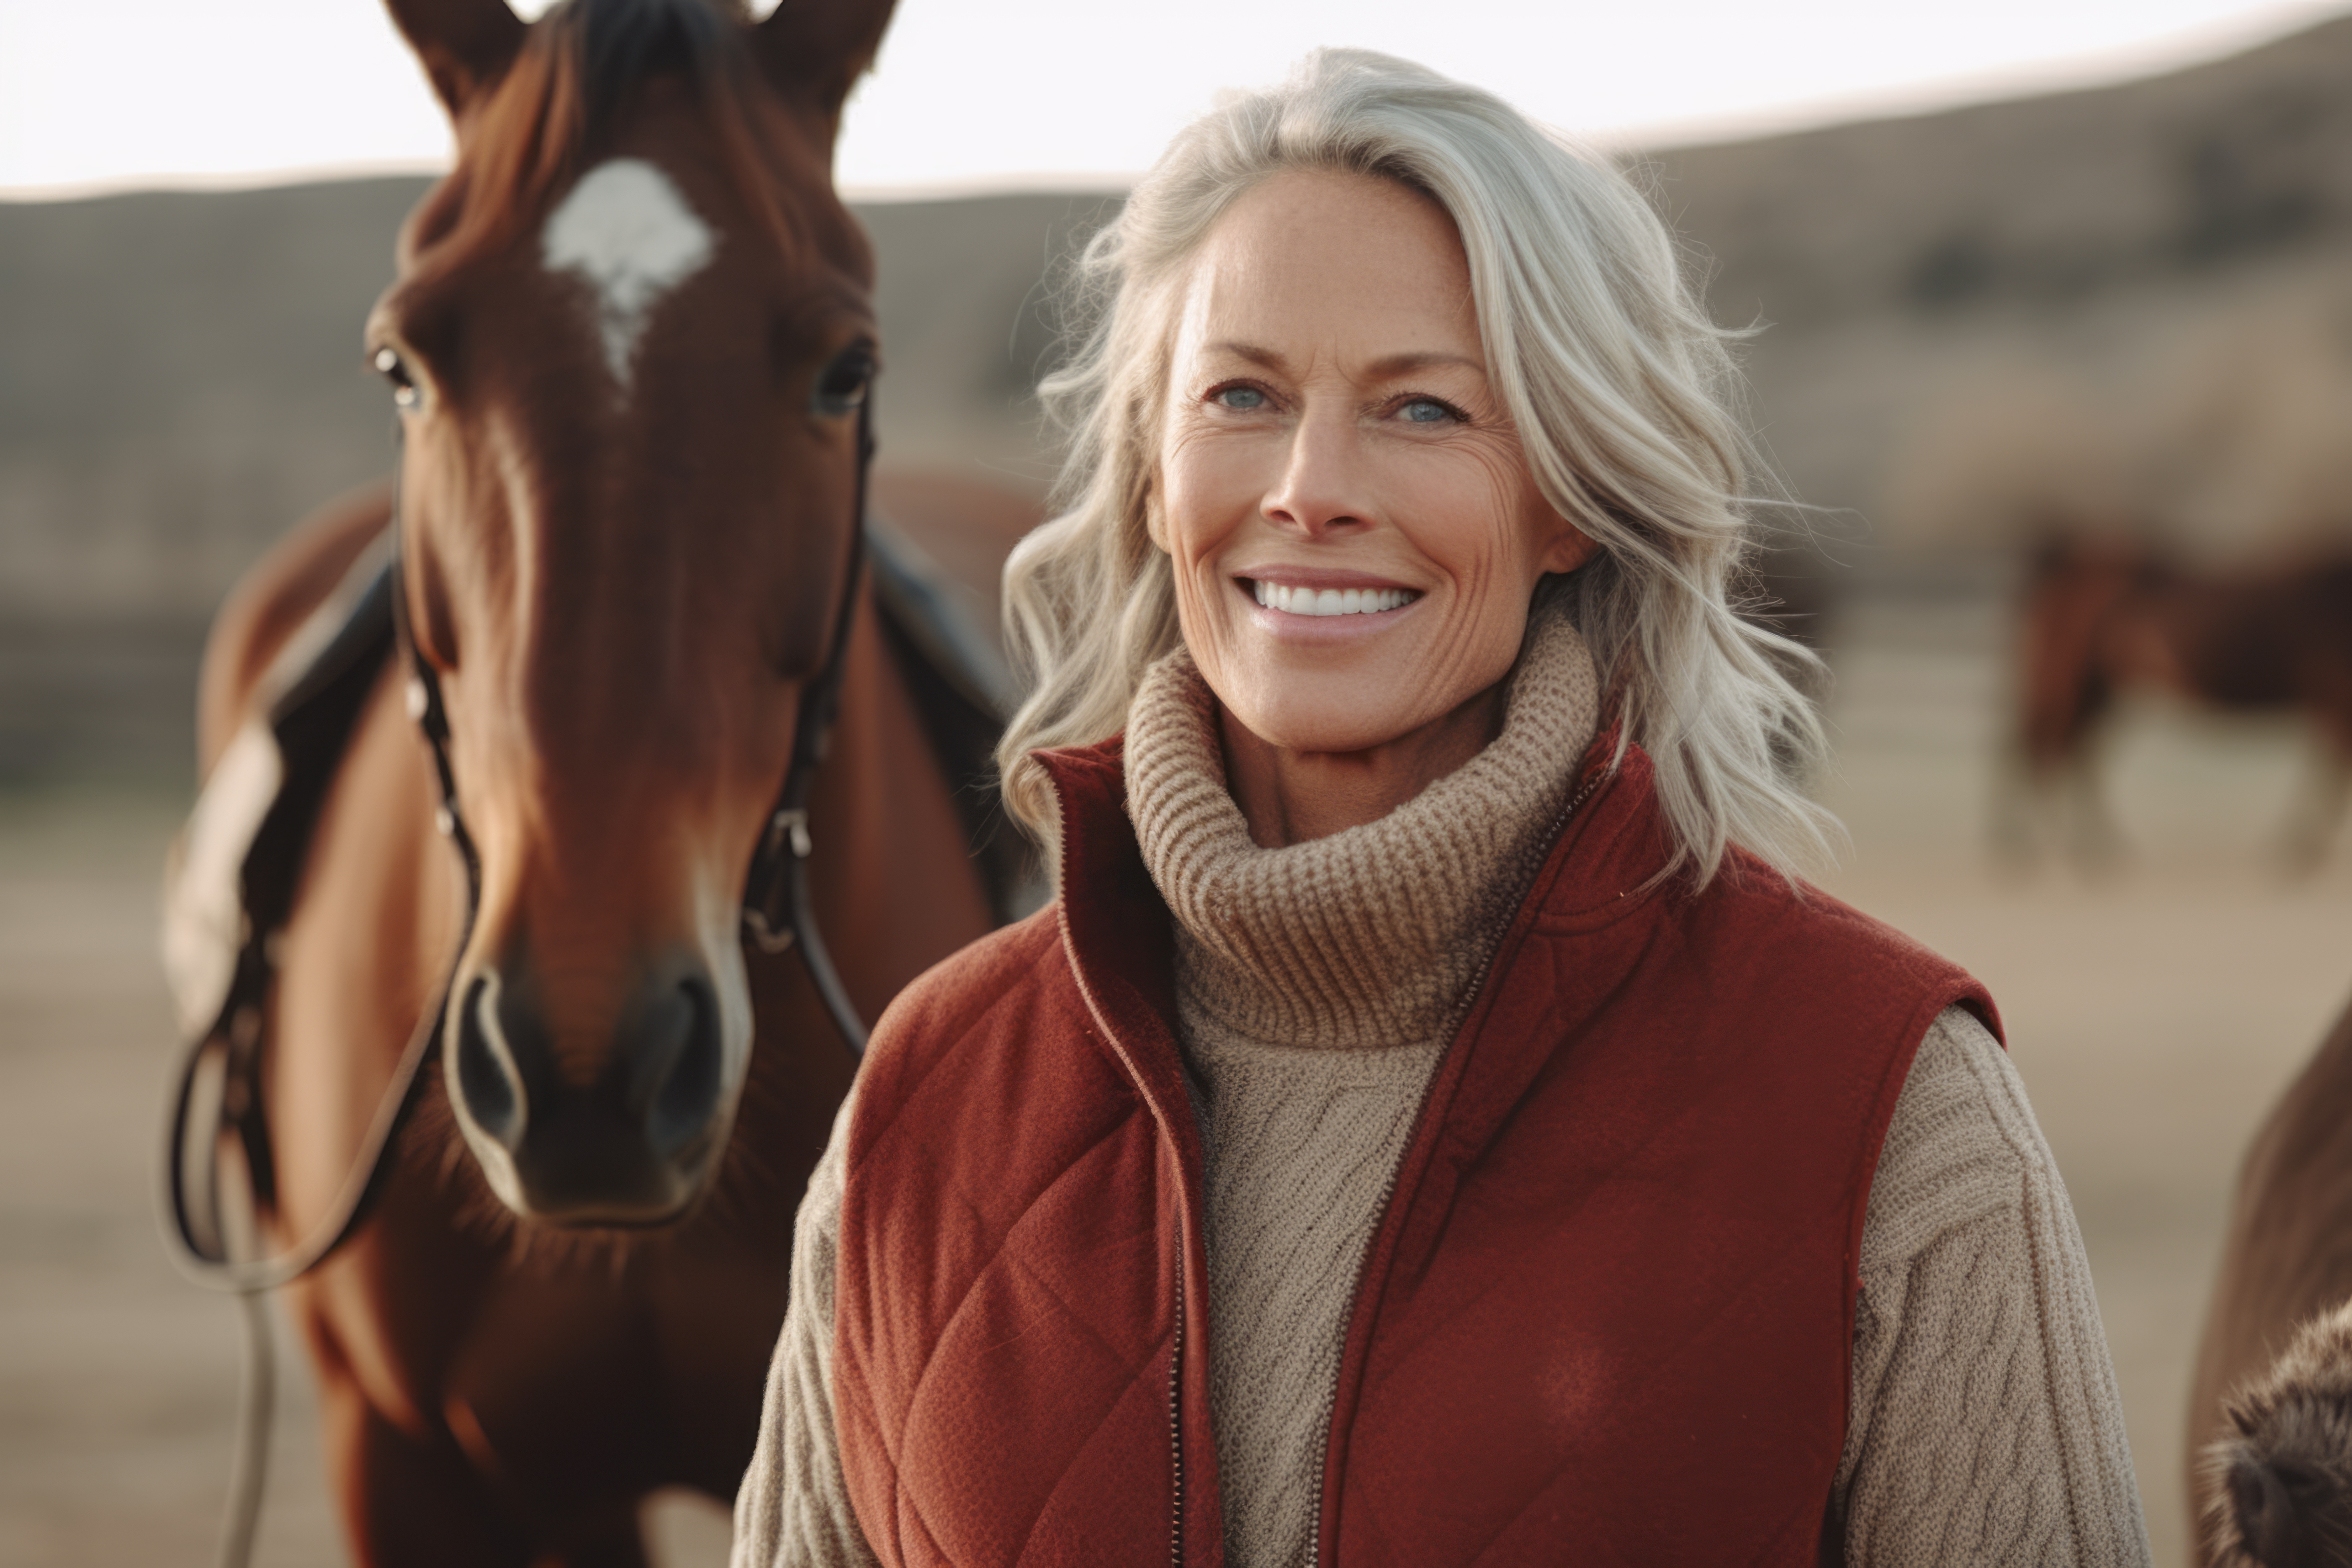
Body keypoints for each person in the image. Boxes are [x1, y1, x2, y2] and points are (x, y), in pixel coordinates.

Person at [733, 49, 2151, 1567]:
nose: (1311, 486)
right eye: (1242, 394)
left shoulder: (1890, 1109)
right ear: (1154, 471)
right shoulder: (931, 1092)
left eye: (1421, 409)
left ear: (1570, 498)